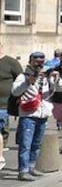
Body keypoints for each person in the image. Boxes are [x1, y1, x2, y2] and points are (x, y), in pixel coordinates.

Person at [11, 52, 62, 181]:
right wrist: (28, 82)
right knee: (26, 144)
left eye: (42, 62)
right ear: (31, 61)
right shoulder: (23, 76)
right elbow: (15, 91)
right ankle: (23, 170)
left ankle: (31, 167)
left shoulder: (47, 76)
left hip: (43, 114)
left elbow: (61, 88)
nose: (39, 65)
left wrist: (56, 79)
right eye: (37, 62)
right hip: (28, 114)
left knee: (36, 143)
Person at [0, 39, 23, 171]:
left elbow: (21, 81)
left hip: (5, 104)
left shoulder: (11, 62)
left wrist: (19, 99)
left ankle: (1, 156)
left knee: (3, 129)